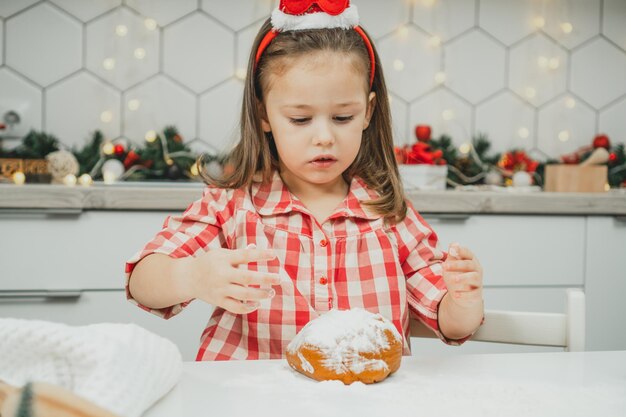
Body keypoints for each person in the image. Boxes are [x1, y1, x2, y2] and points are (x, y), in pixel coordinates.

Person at [125, 0, 484, 361]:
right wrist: (192, 276)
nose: (324, 137)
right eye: (300, 120)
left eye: (343, 117)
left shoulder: (387, 213)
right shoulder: (231, 205)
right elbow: (142, 282)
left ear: (368, 112)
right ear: (263, 113)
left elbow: (450, 323)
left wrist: (462, 300)